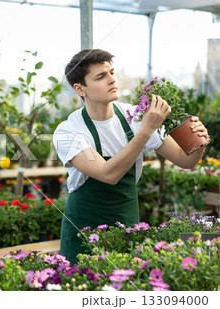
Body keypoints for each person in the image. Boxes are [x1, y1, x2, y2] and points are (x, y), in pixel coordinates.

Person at [53, 49, 210, 265]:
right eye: (101, 76)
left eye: (111, 72)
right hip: (83, 234)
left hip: (127, 226)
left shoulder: (134, 117)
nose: (112, 80)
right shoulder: (69, 131)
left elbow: (186, 161)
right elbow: (108, 174)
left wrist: (199, 142)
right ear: (80, 89)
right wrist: (146, 130)